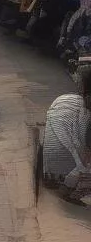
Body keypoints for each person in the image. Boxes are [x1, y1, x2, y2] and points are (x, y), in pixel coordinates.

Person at [42, 61, 91, 204]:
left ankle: (66, 188)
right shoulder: (82, 108)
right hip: (65, 170)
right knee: (84, 164)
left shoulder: (66, 101)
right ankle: (67, 190)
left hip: (53, 169)